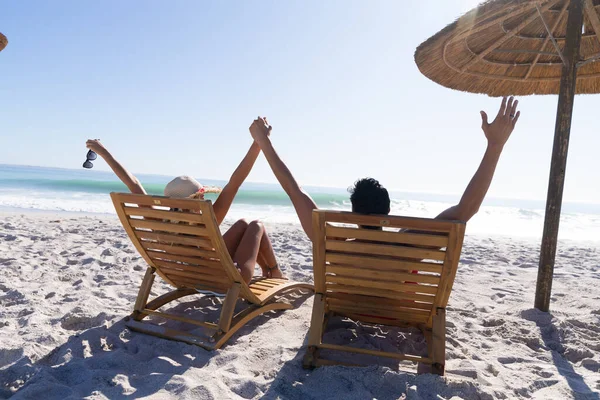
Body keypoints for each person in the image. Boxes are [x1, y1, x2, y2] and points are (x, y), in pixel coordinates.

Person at [248, 97, 521, 240]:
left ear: (354, 213)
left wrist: (263, 142)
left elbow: (293, 190)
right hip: (394, 312)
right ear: (388, 212)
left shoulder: (331, 239)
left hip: (346, 307)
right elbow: (466, 210)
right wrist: (495, 146)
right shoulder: (405, 242)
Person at [85, 134, 284, 283]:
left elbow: (133, 183)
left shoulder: (158, 221)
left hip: (188, 278)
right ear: (198, 197)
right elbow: (235, 182)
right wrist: (258, 144)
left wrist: (103, 153)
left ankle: (271, 271)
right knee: (256, 225)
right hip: (229, 280)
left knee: (242, 224)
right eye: (202, 195)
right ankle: (274, 270)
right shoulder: (207, 218)